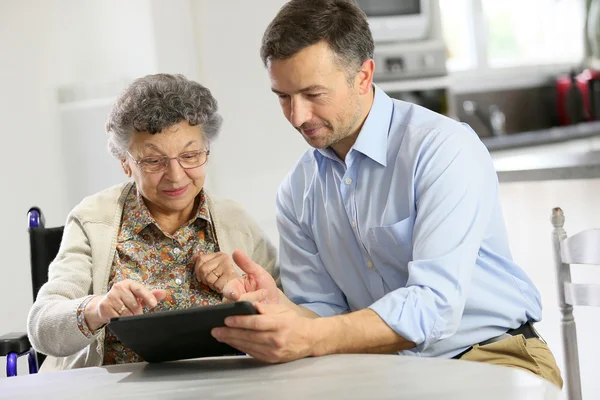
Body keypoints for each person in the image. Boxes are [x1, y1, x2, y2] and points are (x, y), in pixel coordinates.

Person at [211, 0, 563, 388]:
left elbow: (434, 306)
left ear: (363, 76)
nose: (298, 117)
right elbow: (324, 317)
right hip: (384, 371)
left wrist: (309, 335)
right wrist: (284, 314)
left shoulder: (442, 149)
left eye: (313, 94)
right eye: (283, 97)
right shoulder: (297, 192)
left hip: (492, 355)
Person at [27, 73, 278, 370]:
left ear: (206, 152)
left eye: (190, 155)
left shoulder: (236, 223)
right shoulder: (93, 220)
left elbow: (288, 323)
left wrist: (243, 292)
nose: (176, 175)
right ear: (124, 162)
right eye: (153, 160)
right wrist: (99, 308)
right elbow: (42, 327)